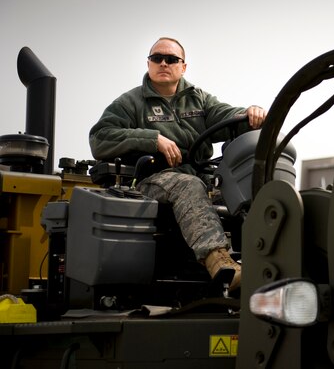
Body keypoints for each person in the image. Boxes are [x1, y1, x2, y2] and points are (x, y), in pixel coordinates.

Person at [89, 37, 266, 291]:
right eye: (157, 58)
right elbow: (100, 138)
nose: (163, 63)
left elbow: (227, 117)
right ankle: (220, 263)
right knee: (188, 185)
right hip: (150, 181)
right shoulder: (130, 103)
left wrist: (251, 115)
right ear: (148, 64)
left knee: (245, 191)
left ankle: (265, 262)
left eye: (171, 59)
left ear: (183, 67)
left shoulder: (199, 99)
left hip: (201, 177)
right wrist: (152, 139)